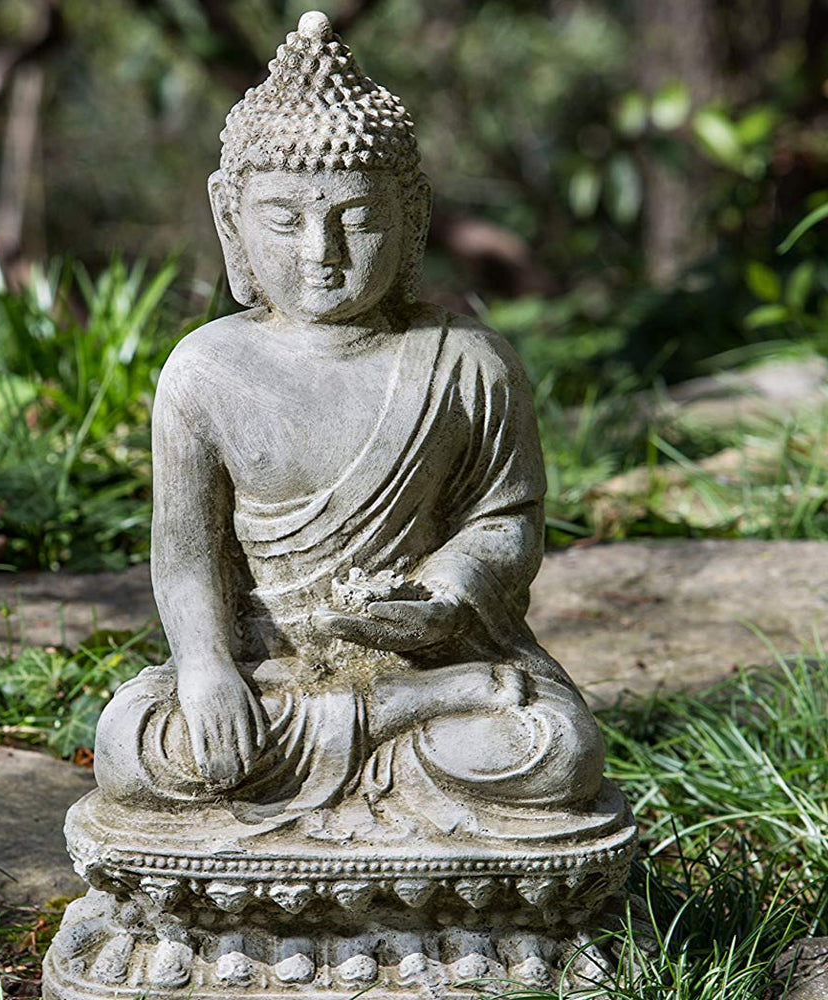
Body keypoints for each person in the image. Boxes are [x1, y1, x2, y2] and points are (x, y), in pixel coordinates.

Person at [93, 11, 609, 839]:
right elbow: (187, 559)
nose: (320, 253)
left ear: (411, 219)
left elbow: (505, 522)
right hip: (272, 676)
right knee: (139, 748)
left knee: (552, 749)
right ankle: (402, 715)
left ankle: (417, 699)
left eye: (358, 221)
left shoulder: (468, 362)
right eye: (284, 220)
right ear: (232, 219)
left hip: (428, 654)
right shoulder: (204, 370)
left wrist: (444, 594)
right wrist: (205, 670)